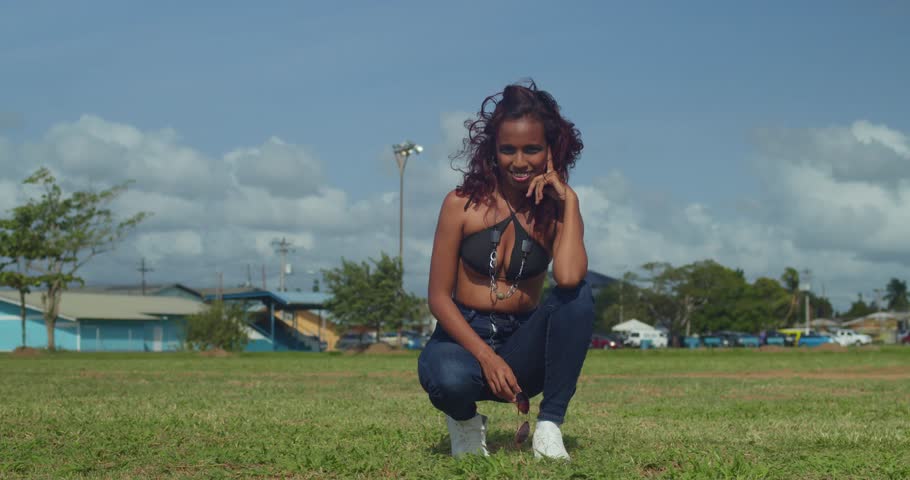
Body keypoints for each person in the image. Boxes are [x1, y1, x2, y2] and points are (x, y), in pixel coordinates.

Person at [417, 80, 594, 460]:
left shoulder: (556, 212)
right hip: (463, 338)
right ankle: (465, 423)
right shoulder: (461, 205)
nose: (519, 161)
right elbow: (438, 298)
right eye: (508, 149)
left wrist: (570, 202)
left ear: (551, 150)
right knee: (447, 380)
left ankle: (549, 427)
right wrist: (487, 357)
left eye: (532, 149)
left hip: (522, 340)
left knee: (579, 295)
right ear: (492, 151)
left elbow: (568, 279)